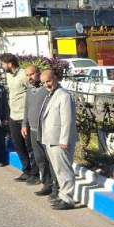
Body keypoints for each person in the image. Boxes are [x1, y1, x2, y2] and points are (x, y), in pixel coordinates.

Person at [40, 68, 78, 210]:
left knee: (64, 170)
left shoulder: (64, 95)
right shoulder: (51, 94)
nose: (46, 84)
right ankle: (63, 196)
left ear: (55, 78)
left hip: (60, 141)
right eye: (44, 82)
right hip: (51, 139)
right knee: (58, 170)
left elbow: (67, 120)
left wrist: (64, 140)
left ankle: (68, 199)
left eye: (48, 81)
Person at [2, 53, 37, 183]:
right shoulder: (8, 75)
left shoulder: (23, 75)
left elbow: (32, 91)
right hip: (13, 115)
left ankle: (35, 173)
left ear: (10, 64)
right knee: (18, 146)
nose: (2, 66)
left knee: (30, 146)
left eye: (3, 63)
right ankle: (26, 170)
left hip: (24, 116)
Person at [22, 64, 56, 199]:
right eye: (27, 75)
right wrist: (24, 124)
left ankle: (56, 187)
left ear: (38, 73)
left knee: (50, 159)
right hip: (33, 130)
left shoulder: (47, 89)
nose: (30, 77)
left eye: (32, 74)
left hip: (46, 130)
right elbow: (27, 108)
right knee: (39, 159)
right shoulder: (29, 91)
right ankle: (47, 184)